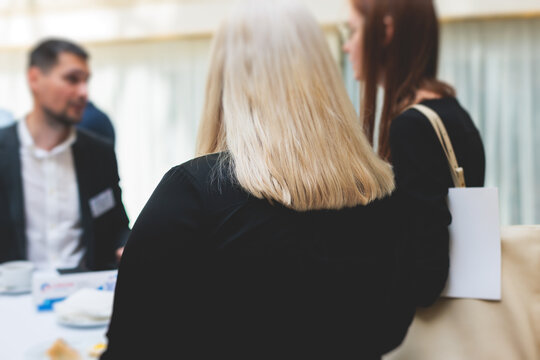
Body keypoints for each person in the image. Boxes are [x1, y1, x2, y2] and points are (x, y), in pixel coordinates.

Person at [102, 1, 415, 358]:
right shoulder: (383, 193)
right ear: (325, 76)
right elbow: (393, 326)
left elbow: (130, 345)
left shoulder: (192, 193)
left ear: (224, 79)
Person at [343, 0, 486, 307]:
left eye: (352, 31)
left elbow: (426, 273)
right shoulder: (454, 113)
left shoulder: (412, 127)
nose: (346, 46)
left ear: (386, 31)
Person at [0, 38, 130, 271]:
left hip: (86, 296)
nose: (83, 93)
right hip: (13, 301)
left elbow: (117, 226)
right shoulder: (4, 150)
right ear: (34, 79)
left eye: (85, 82)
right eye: (72, 79)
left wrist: (127, 246)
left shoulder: (99, 153)